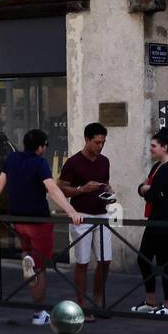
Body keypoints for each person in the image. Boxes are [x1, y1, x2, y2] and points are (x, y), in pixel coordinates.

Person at [0, 128, 83, 327]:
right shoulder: (39, 163)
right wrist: (70, 211)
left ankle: (27, 259)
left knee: (31, 265)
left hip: (18, 222)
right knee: (40, 270)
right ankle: (39, 313)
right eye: (45, 146)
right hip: (39, 222)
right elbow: (52, 189)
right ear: (40, 147)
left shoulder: (12, 159)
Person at [58, 122, 113, 321]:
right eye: (97, 142)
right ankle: (81, 304)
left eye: (103, 142)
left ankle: (97, 301)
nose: (101, 146)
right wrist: (82, 189)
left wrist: (108, 190)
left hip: (102, 214)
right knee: (82, 262)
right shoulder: (73, 163)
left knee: (105, 260)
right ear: (87, 140)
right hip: (80, 216)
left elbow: (106, 183)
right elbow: (61, 187)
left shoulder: (104, 161)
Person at [132, 129, 168, 316]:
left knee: (164, 262)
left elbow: (152, 193)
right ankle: (151, 302)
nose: (151, 149)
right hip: (155, 220)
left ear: (165, 147)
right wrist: (146, 189)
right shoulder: (157, 167)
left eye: (154, 146)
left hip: (165, 222)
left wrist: (146, 189)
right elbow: (143, 189)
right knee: (144, 259)